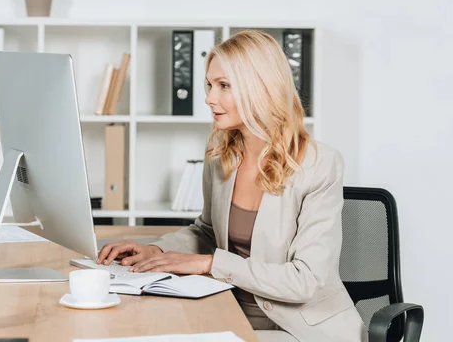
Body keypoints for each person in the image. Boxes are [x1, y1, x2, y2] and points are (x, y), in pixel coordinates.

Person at [97, 30, 367, 342]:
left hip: (301, 329)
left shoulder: (319, 163)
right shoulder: (220, 158)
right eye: (210, 85)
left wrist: (211, 263)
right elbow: (206, 231)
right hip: (228, 310)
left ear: (260, 88)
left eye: (224, 86)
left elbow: (306, 279)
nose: (210, 98)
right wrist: (156, 250)